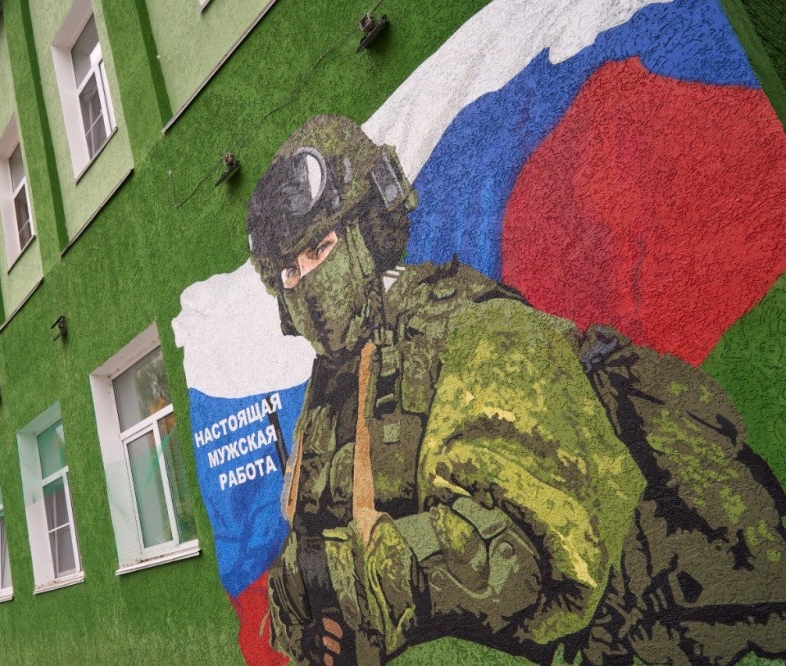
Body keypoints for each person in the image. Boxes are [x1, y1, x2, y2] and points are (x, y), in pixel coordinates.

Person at [246, 115, 786, 665]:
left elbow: (523, 558)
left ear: (370, 229)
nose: (305, 284)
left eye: (320, 250)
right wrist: (307, 625)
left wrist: (341, 581)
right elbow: (302, 565)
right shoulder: (331, 393)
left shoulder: (479, 332)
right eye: (289, 273)